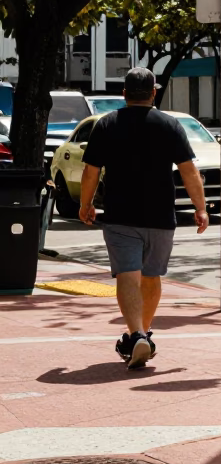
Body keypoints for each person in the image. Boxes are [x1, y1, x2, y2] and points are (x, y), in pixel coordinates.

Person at [79, 68, 210, 369]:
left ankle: (136, 334)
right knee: (151, 276)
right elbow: (189, 170)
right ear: (153, 93)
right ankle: (143, 334)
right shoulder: (170, 125)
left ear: (124, 94)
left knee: (127, 275)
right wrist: (200, 208)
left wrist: (86, 204)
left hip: (120, 216)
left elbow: (91, 171)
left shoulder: (106, 124)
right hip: (161, 216)